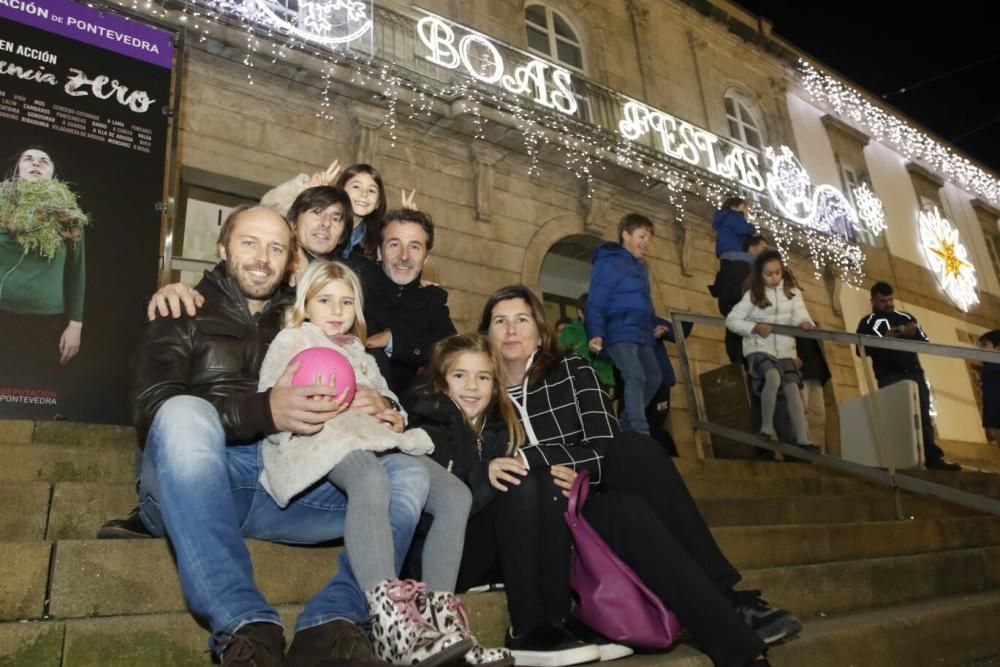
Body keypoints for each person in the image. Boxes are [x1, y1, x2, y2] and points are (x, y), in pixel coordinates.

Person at [130, 205, 453, 667]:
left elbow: (365, 363)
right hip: (191, 481)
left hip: (277, 484)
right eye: (249, 243)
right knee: (184, 411)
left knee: (406, 474)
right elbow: (152, 409)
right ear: (222, 249)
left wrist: (387, 407)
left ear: (290, 261)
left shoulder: (305, 316)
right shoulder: (183, 309)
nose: (262, 257)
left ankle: (334, 621)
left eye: (276, 247)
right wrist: (267, 408)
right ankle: (245, 624)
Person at [479, 285, 799, 667]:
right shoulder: (479, 389)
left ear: (539, 329)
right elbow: (489, 464)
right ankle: (726, 608)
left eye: (522, 319)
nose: (511, 330)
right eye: (501, 321)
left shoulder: (571, 370)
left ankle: (735, 634)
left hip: (585, 504)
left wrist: (557, 465)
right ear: (487, 333)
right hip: (531, 529)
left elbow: (602, 442)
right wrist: (547, 464)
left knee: (632, 454)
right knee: (621, 497)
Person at [256, 257, 478, 665]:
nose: (337, 311)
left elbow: (389, 400)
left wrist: (388, 408)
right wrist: (318, 403)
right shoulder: (292, 341)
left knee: (456, 496)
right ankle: (389, 618)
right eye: (326, 301)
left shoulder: (359, 350)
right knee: (369, 477)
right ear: (307, 303)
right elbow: (271, 396)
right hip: (322, 438)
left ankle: (441, 621)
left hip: (373, 436)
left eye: (346, 302)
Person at [0, 146, 89, 386]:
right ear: (17, 169)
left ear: (53, 173)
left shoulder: (70, 216)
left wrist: (75, 324)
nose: (36, 163)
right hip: (2, 312)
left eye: (43, 161)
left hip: (46, 322)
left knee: (32, 387)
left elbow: (76, 272)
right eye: (28, 159)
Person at [855, 281, 960, 470]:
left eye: (890, 299)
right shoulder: (867, 323)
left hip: (914, 372)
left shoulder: (906, 317)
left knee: (923, 416)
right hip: (888, 375)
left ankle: (932, 458)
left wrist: (912, 334)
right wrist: (884, 340)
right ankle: (897, 459)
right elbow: (860, 349)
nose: (888, 304)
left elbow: (924, 342)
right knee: (896, 417)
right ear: (873, 301)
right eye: (883, 301)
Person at [725, 250, 818, 453]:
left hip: (785, 350)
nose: (774, 278)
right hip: (760, 346)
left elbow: (800, 314)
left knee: (793, 389)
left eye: (777, 272)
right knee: (773, 377)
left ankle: (802, 438)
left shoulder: (792, 292)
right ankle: (766, 427)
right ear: (760, 274)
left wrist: (804, 323)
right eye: (768, 274)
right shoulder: (752, 295)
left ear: (782, 270)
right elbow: (732, 320)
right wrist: (754, 328)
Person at [361, 209, 457, 396]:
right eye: (394, 244)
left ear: (426, 258)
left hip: (408, 412)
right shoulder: (354, 286)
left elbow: (451, 354)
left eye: (414, 247)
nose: (404, 256)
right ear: (379, 252)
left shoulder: (432, 300)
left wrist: (393, 340)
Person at [585, 213, 663, 435]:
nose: (646, 242)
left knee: (654, 377)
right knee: (635, 375)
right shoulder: (608, 263)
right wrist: (596, 333)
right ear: (625, 235)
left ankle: (624, 425)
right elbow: (596, 302)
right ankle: (639, 429)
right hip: (619, 331)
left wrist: (653, 324)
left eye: (649, 238)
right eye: (641, 236)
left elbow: (646, 302)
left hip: (641, 332)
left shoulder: (641, 268)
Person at [710, 234, 768, 364]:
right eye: (763, 248)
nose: (765, 253)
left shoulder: (738, 266)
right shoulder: (742, 267)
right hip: (745, 328)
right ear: (751, 247)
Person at [557, 293, 615, 392]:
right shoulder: (571, 332)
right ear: (580, 312)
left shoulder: (606, 334)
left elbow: (607, 364)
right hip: (577, 385)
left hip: (600, 386)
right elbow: (556, 361)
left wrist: (610, 385)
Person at [796, 327, 831, 451]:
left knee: (819, 415)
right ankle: (805, 452)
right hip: (799, 372)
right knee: (802, 413)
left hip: (816, 371)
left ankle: (817, 455)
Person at [979, 330, 1000, 445]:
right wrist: (989, 423)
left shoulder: (993, 368)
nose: (981, 349)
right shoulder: (988, 369)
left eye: (985, 345)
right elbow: (989, 398)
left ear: (998, 347)